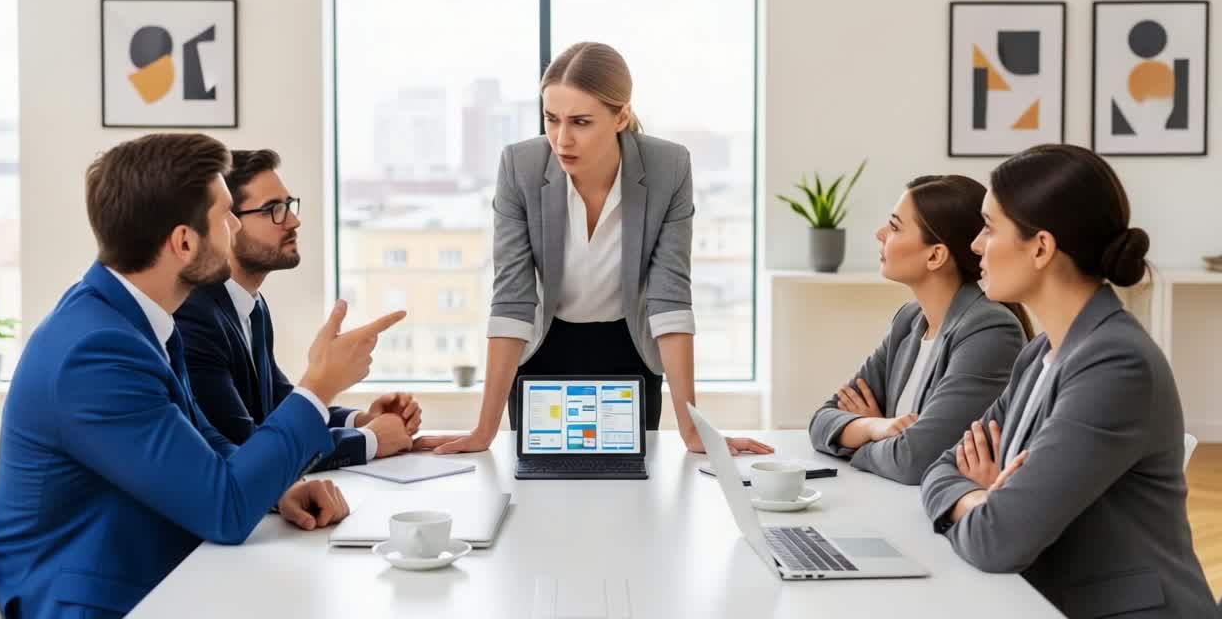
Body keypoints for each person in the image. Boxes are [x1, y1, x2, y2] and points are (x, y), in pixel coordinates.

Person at [0, 133, 406, 618]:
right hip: (100, 602)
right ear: (184, 242)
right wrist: (319, 386)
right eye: (226, 215)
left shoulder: (136, 319)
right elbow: (224, 511)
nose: (234, 229)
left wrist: (278, 490)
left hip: (153, 572)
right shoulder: (97, 352)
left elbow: (206, 447)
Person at [416, 42, 771, 456]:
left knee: (632, 489)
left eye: (581, 122)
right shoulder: (520, 167)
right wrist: (483, 431)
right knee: (537, 485)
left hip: (628, 349)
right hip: (543, 347)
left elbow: (669, 299)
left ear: (621, 116)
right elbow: (512, 298)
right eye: (552, 119)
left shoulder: (668, 167)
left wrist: (694, 431)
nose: (562, 139)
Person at [920, 144, 1215, 617]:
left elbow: (998, 540)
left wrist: (977, 500)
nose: (975, 244)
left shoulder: (1116, 365)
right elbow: (938, 467)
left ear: (1041, 247)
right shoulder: (1041, 351)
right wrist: (982, 499)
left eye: (989, 227)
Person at [176, 149, 420, 469]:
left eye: (288, 205)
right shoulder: (193, 314)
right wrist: (369, 441)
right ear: (228, 222)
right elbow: (247, 446)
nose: (293, 220)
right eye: (274, 209)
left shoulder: (253, 307)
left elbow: (280, 406)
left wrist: (360, 420)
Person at [809, 175, 1028, 484]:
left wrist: (861, 439)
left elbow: (916, 459)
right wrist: (878, 428)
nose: (880, 234)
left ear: (935, 255)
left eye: (895, 227)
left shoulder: (990, 330)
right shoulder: (909, 320)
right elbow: (822, 420)